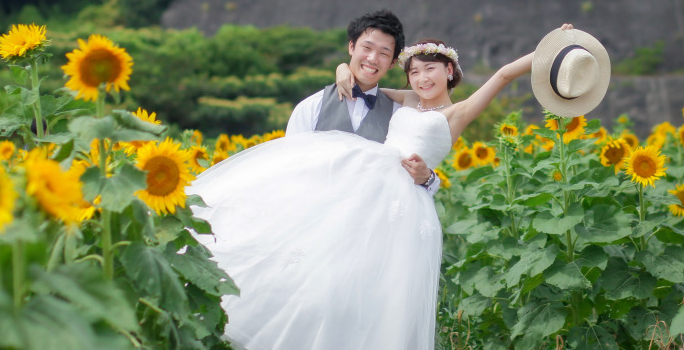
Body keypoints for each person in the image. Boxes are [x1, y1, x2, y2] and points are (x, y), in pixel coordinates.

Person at [189, 24, 576, 350]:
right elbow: (365, 84)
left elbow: (505, 74)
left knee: (381, 294)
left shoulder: (456, 113)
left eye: (431, 70)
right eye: (414, 72)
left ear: (450, 72)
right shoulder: (407, 99)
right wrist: (343, 68)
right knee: (320, 270)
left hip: (403, 203)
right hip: (363, 181)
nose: (422, 79)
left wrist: (550, 46)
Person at [286, 9, 438, 194]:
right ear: (351, 47)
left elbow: (420, 177)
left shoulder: (399, 114)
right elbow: (289, 167)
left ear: (392, 63)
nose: (372, 59)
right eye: (367, 48)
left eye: (384, 53)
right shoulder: (311, 107)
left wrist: (427, 178)